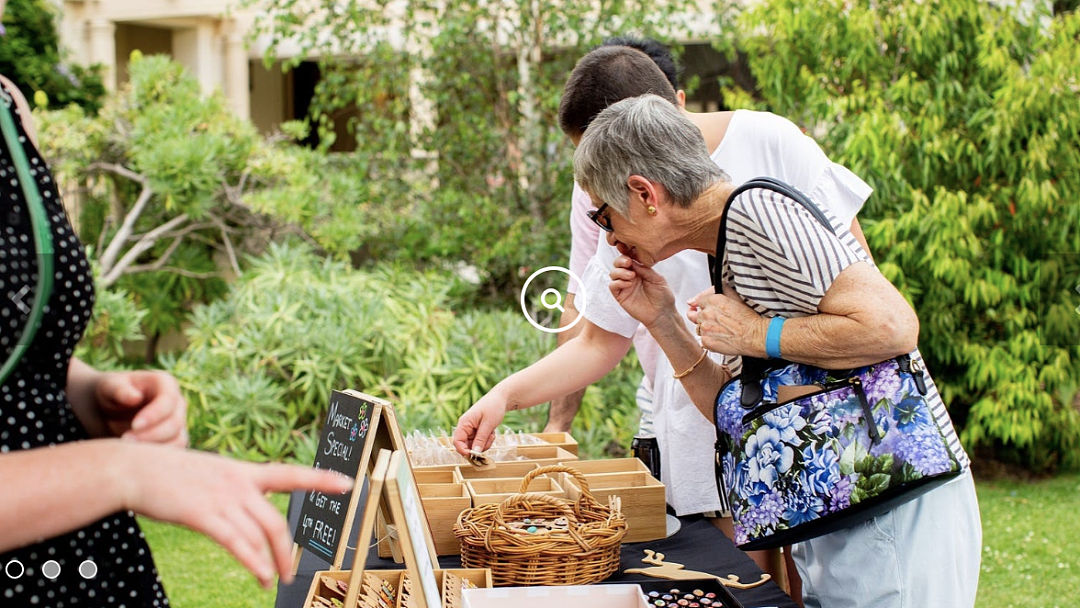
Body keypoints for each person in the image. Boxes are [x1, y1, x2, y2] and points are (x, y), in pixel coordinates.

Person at [570, 93, 981, 608]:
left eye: (605, 218)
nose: (609, 239)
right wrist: (664, 321)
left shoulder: (759, 213)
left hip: (891, 505)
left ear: (645, 194)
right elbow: (741, 413)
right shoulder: (727, 243)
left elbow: (893, 327)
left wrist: (756, 334)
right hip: (843, 503)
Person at [0, 73, 351, 607]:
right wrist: (120, 470)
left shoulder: (8, 105)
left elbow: (23, 369)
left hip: (91, 569)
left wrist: (95, 394)